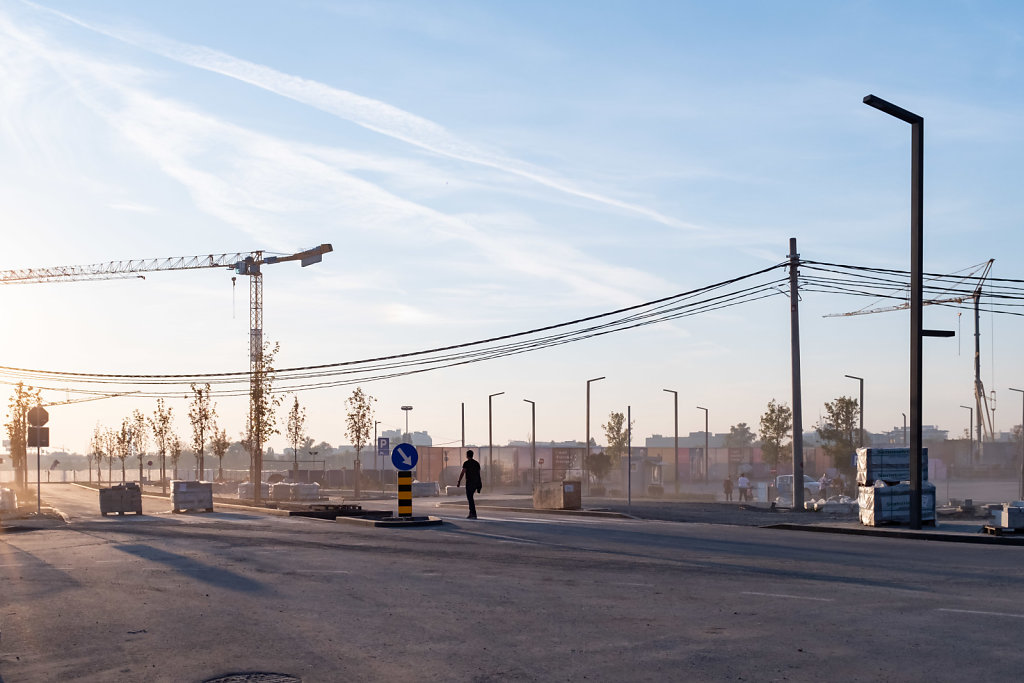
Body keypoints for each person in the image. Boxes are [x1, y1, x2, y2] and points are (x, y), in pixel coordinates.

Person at [456, 450, 482, 519]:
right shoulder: (477, 463)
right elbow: (478, 474)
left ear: (467, 455)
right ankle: (472, 513)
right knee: (471, 497)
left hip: (470, 482)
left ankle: (473, 513)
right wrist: (479, 483)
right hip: (476, 482)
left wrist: (459, 481)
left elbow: (462, 473)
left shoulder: (466, 463)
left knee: (470, 497)